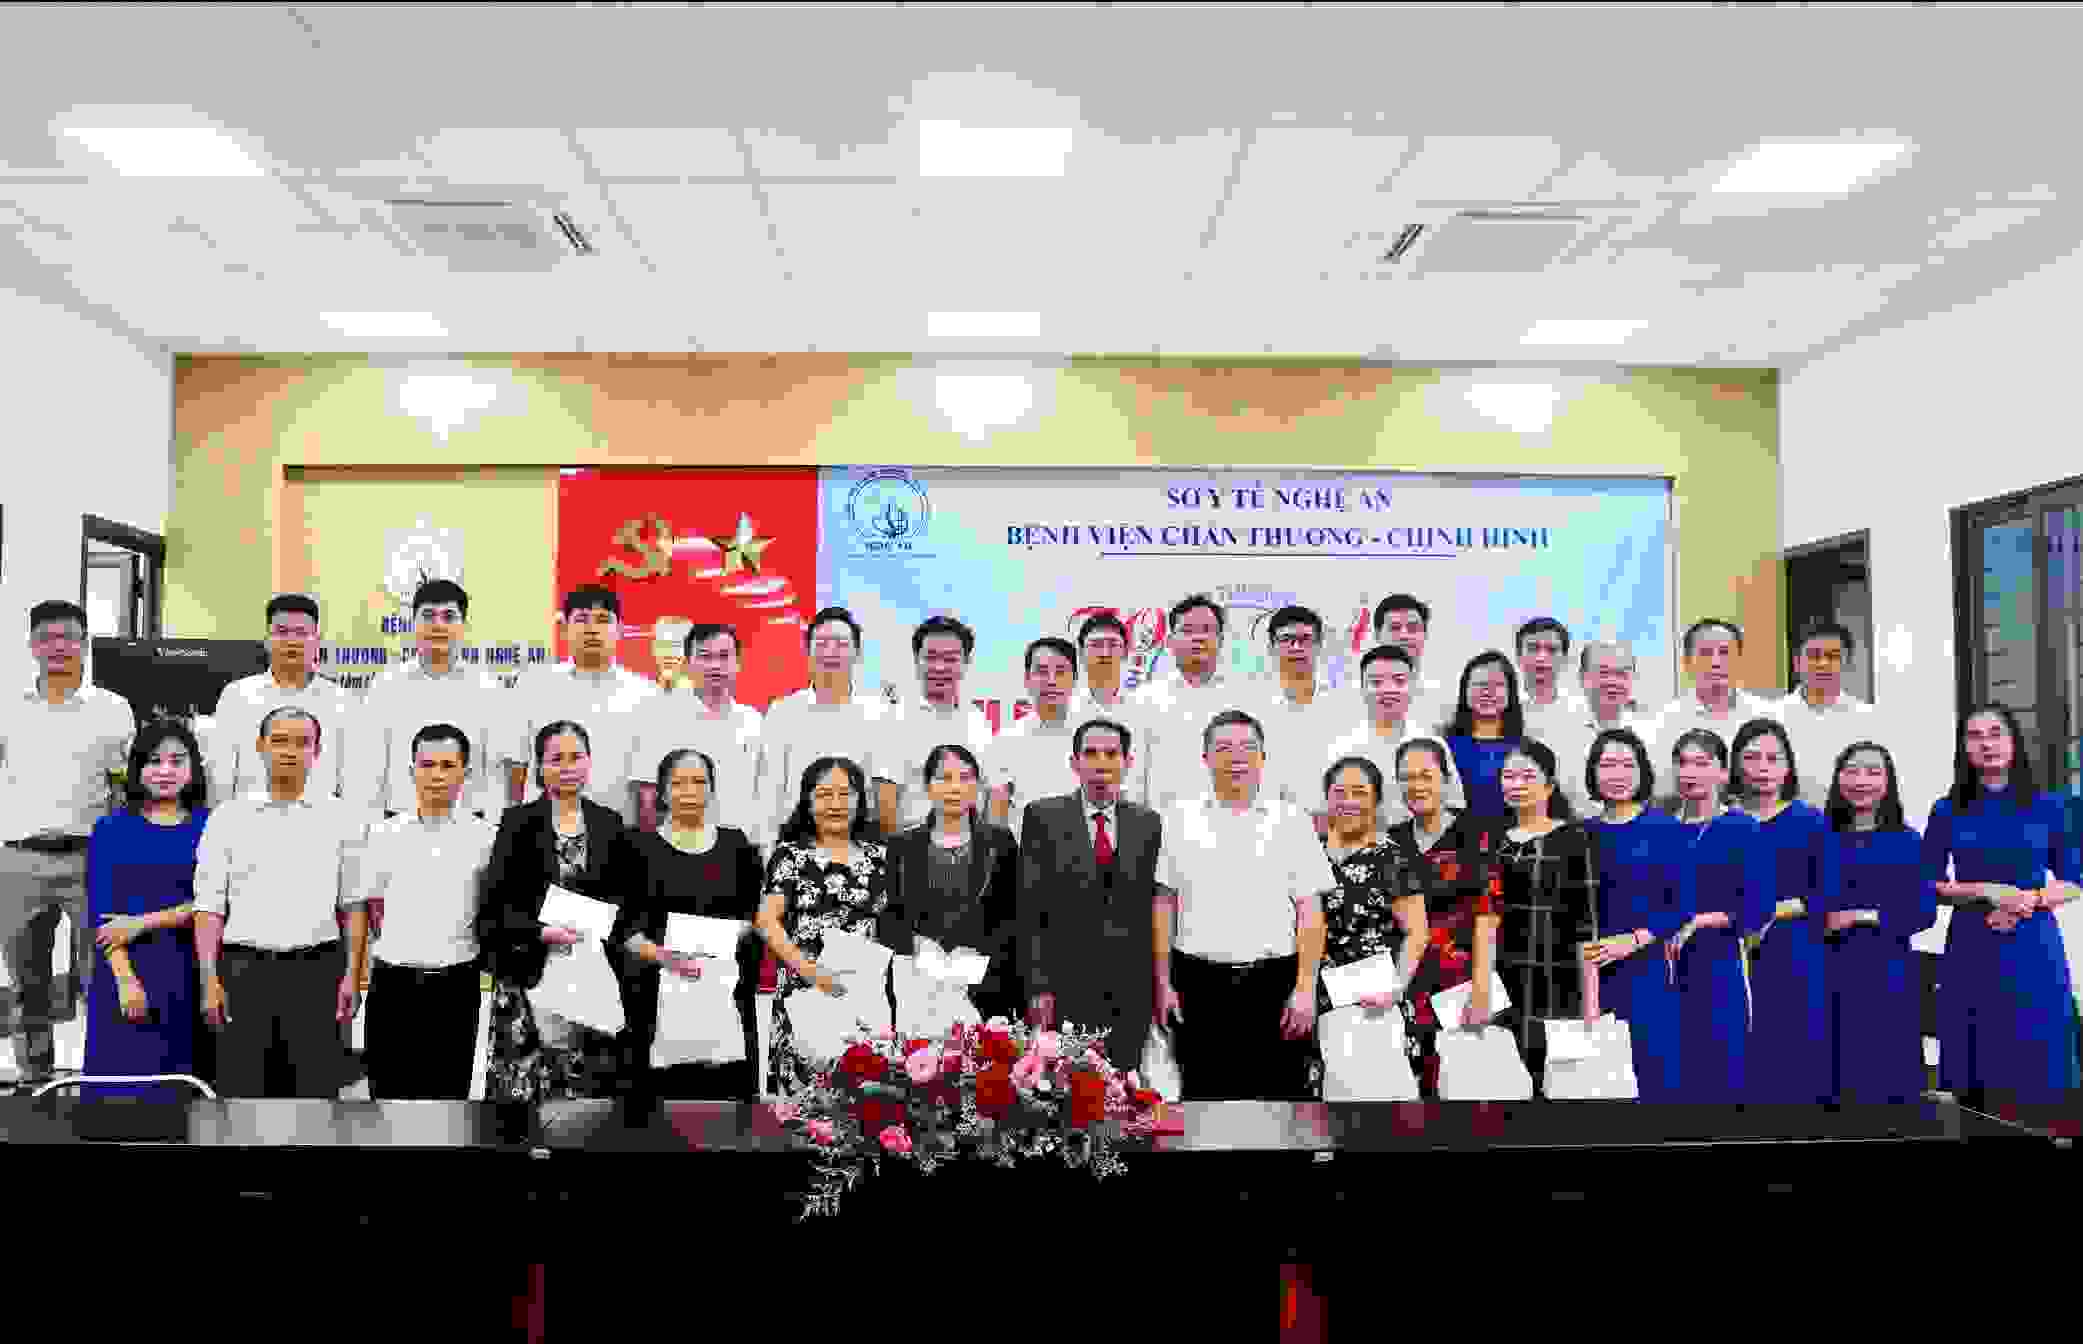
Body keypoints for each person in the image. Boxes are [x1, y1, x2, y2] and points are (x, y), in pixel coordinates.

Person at [1152, 710, 1331, 1101]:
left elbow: (1310, 913)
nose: (1236, 757)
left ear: (1263, 756)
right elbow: (1164, 906)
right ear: (1205, 757)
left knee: (1281, 1105)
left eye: (1247, 748)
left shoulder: (1291, 820)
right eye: (1224, 748)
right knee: (1203, 1100)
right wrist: (1163, 983)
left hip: (1275, 986)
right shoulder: (1177, 819)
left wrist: (1305, 988)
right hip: (1198, 986)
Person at [192, 707, 370, 1098]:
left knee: (315, 1097)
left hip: (317, 972)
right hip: (243, 972)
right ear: (261, 746)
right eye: (280, 741)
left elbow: (353, 906)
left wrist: (353, 976)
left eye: (302, 743)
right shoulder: (228, 817)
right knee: (243, 1095)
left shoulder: (342, 818)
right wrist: (209, 980)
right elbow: (208, 909)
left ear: (317, 751)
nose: (290, 751)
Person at [0, 599, 135, 1086]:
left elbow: (124, 787)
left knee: (99, 974)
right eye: (48, 637)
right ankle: (34, 1078)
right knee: (26, 979)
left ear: (85, 643)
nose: (59, 646)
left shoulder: (113, 709)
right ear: (32, 645)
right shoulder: (9, 705)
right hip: (20, 859)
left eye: (69, 637)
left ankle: (100, 1074)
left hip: (90, 858)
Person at [1923, 704, 2082, 1106]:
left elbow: (2073, 881)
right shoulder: (1947, 809)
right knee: (1975, 1073)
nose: (1987, 743)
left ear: (2014, 742)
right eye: (1975, 736)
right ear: (1964, 747)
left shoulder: (2048, 805)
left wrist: (2029, 900)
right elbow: (1928, 883)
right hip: (1972, 944)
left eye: (1996, 733)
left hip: (2032, 943)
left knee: (2039, 1068)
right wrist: (1986, 891)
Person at [477, 720, 639, 1101]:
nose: (567, 767)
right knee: (521, 1109)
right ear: (539, 766)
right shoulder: (517, 824)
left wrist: (606, 927)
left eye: (576, 757)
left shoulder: (610, 824)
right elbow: (494, 908)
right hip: (529, 975)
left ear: (590, 762)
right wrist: (540, 933)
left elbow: (628, 903)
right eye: (556, 759)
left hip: (591, 981)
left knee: (585, 1110)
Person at [611, 748, 764, 1101]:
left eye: (699, 782)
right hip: (651, 1003)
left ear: (712, 790)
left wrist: (726, 939)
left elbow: (755, 915)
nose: (690, 791)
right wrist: (666, 957)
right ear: (662, 792)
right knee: (652, 1116)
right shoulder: (636, 845)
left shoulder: (736, 845)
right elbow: (621, 927)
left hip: (722, 1001)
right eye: (679, 783)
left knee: (725, 1116)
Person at [356, 724, 497, 1100]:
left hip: (456, 987)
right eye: (427, 765)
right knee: (387, 1101)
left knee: (448, 1103)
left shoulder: (486, 838)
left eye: (448, 765)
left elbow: (488, 909)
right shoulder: (383, 834)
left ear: (465, 772)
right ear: (411, 770)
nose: (436, 775)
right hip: (393, 987)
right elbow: (372, 908)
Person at [1019, 719, 1162, 1073]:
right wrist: (1039, 988)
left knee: (1125, 1089)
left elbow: (1153, 912)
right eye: (1091, 753)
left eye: (1112, 754)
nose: (1101, 763)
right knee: (1065, 1089)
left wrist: (1159, 987)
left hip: (1130, 994)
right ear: (1074, 762)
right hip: (1065, 989)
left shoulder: (1149, 823)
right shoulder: (1042, 817)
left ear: (1128, 762)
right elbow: (1030, 910)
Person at [83, 720, 210, 1101]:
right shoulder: (111, 828)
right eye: (154, 761)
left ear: (193, 768)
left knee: (184, 1094)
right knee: (119, 1094)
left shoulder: (210, 827)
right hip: (124, 971)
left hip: (190, 970)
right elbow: (102, 913)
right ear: (137, 768)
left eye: (177, 761)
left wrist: (142, 922)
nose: (166, 771)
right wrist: (125, 979)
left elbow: (215, 902)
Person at [754, 756, 891, 1097]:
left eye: (845, 794)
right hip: (805, 994)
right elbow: (766, 921)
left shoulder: (882, 858)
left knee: (867, 1103)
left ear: (860, 800)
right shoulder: (790, 855)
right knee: (804, 1109)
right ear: (808, 800)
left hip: (866, 997)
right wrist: (811, 971)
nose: (835, 804)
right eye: (824, 794)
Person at [1385, 737, 1505, 1097]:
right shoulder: (1392, 840)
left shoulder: (1477, 834)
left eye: (1426, 775)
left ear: (1446, 778)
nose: (1416, 785)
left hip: (1463, 986)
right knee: (1408, 1097)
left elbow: (1487, 917)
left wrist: (1481, 989)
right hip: (1407, 984)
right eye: (1407, 777)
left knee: (1467, 1094)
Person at [1821, 741, 1936, 1103]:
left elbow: (1923, 910)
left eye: (1873, 772)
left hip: (1888, 973)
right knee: (1832, 1079)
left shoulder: (1907, 841)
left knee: (1888, 1082)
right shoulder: (1820, 839)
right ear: (1838, 779)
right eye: (1852, 770)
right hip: (1827, 971)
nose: (1861, 780)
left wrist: (1861, 915)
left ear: (1888, 782)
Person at [1310, 756, 1427, 1100]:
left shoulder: (1393, 857)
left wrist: (1396, 988)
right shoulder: (1309, 854)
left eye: (1359, 792)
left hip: (1376, 1002)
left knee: (1384, 1111)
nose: (1348, 801)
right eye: (1339, 792)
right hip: (1317, 1002)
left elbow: (1417, 932)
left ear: (1376, 800)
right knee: (1326, 1112)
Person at [1581, 728, 1687, 1102]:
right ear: (1593, 772)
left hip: (1646, 970)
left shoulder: (1664, 829)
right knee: (1600, 1086)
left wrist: (1635, 939)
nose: (1618, 774)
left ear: (1643, 772)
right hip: (1594, 974)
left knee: (1651, 1079)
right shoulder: (1582, 833)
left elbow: (1682, 903)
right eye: (1608, 764)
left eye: (1628, 765)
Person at [882, 744, 1022, 1027]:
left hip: (987, 988)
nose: (954, 787)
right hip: (920, 987)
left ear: (977, 785)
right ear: (927, 786)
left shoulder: (1001, 842)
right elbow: (891, 917)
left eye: (965, 778)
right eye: (944, 778)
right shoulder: (902, 845)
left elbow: (1014, 915)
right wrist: (915, 946)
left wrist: (978, 959)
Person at [1731, 718, 1833, 1104]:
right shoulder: (1725, 820)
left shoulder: (1811, 823)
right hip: (1731, 954)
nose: (1763, 767)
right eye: (1752, 757)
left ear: (1789, 766)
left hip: (1795, 956)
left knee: (1795, 1065)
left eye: (1773, 758)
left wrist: (1769, 912)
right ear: (1735, 764)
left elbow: (1828, 893)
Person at [501, 586, 659, 824]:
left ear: (619, 630)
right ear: (565, 628)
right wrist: (513, 825)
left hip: (617, 832)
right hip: (541, 831)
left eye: (603, 620)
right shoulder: (533, 684)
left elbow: (648, 785)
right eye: (582, 619)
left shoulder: (646, 694)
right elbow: (516, 765)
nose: (592, 629)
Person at [1493, 739, 1597, 1088]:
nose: (1517, 784)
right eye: (1509, 776)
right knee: (1504, 1088)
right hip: (1503, 984)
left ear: (1549, 786)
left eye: (1527, 776)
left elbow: (1586, 925)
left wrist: (1591, 1005)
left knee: (1557, 1088)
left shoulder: (1573, 838)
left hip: (1558, 983)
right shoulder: (1491, 839)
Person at [1665, 728, 1762, 1103]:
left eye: (1702, 763)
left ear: (1723, 772)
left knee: (1722, 1077)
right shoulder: (1663, 827)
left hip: (1718, 967)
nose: (1690, 772)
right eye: (1683, 763)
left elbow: (1757, 908)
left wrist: (1701, 921)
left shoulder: (1742, 828)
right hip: (1663, 969)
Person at [357, 580, 504, 824]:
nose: (438, 625)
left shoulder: (488, 687)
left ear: (464, 625)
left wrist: (495, 829)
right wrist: (370, 829)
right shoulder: (387, 684)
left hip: (470, 826)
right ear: (413, 623)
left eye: (449, 616)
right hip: (399, 823)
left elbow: (496, 771)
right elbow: (369, 766)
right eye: (428, 616)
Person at [205, 593, 358, 808]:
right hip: (250, 822)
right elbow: (219, 774)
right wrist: (222, 821)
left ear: (317, 641)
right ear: (266, 641)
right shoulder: (237, 696)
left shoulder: (342, 701)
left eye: (302, 633)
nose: (292, 641)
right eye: (282, 632)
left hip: (320, 823)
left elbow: (351, 780)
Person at [754, 609, 890, 849]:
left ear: (857, 652)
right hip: (797, 843)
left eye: (841, 644)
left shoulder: (879, 712)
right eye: (822, 644)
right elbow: (769, 790)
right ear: (807, 650)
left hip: (858, 845)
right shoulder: (783, 711)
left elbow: (882, 795)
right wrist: (768, 850)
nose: (831, 652)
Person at [630, 623, 765, 841]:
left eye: (724, 656)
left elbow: (763, 792)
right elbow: (646, 795)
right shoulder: (660, 717)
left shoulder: (753, 720)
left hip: (743, 846)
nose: (715, 665)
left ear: (737, 663)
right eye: (704, 656)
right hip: (680, 847)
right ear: (687, 662)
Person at [1316, 646, 1459, 835]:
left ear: (1413, 686)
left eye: (1399, 681)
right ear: (1361, 688)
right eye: (1376, 682)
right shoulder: (1341, 749)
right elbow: (1324, 817)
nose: (1388, 690)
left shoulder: (1433, 744)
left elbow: (1455, 805)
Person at [878, 617, 995, 834]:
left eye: (950, 659)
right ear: (916, 660)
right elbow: (884, 803)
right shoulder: (894, 719)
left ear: (966, 662)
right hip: (912, 846)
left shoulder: (978, 721)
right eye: (930, 657)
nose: (940, 667)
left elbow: (993, 793)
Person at [1132, 594, 1238, 811]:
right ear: (1170, 642)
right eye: (1188, 630)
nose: (1198, 638)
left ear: (1221, 640)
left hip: (1230, 821)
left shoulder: (1242, 698)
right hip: (1164, 823)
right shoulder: (1146, 699)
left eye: (1207, 630)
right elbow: (1134, 776)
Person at [1642, 619, 1780, 780]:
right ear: (1687, 662)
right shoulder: (1666, 721)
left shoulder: (1766, 715)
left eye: (1724, 653)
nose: (1716, 662)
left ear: (1740, 659)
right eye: (1705, 653)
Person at [1774, 620, 1880, 806]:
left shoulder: (1869, 719)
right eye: (1814, 656)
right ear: (1797, 663)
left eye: (1833, 656)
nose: (1823, 663)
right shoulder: (1773, 715)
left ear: (1848, 663)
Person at [985, 638, 1082, 840]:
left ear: (1075, 679)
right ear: (1027, 679)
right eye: (1042, 671)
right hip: (1026, 854)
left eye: (1061, 672)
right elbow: (996, 816)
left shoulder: (1094, 735)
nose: (1051, 681)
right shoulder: (1006, 740)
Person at [1543, 641, 1652, 818]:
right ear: (1582, 677)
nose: (1612, 681)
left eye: (1621, 673)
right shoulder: (1557, 732)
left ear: (1634, 678)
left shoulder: (1651, 733)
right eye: (1603, 673)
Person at [1260, 606, 1346, 819]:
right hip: (1272, 823)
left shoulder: (1344, 703)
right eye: (1287, 639)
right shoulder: (1253, 706)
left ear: (1319, 646)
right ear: (1271, 647)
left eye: (1305, 639)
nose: (1296, 647)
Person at [1444, 652, 1527, 828]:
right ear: (1464, 691)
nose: (1488, 692)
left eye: (1498, 685)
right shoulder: (1445, 748)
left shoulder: (1525, 749)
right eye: (1479, 685)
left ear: (1511, 692)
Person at [1372, 594, 1451, 734]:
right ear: (1377, 635)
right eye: (1395, 628)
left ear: (1425, 634)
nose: (1404, 635)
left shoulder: (1445, 698)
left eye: (1413, 628)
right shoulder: (1355, 695)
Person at [1514, 617, 1588, 743]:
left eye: (1552, 650)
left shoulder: (1581, 712)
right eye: (1533, 648)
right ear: (1519, 656)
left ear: (1565, 659)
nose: (1541, 657)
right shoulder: (1503, 708)